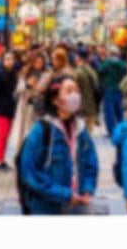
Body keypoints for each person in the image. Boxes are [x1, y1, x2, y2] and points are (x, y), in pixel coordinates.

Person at [17, 73, 100, 214]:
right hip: (46, 207)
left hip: (76, 204)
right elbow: (30, 173)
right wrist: (64, 194)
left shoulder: (81, 130)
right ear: (56, 100)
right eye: (69, 91)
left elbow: (91, 163)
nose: (75, 96)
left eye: (77, 91)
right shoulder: (41, 131)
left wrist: (87, 188)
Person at [95, 46, 127, 141]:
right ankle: (121, 129)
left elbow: (99, 72)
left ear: (110, 54)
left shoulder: (106, 64)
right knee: (119, 111)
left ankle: (112, 131)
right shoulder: (123, 64)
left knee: (109, 112)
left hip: (109, 89)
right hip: (120, 89)